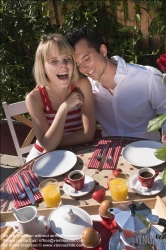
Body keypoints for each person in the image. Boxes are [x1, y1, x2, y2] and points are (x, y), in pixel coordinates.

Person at [66, 26, 166, 143]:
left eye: (86, 59)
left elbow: (164, 111)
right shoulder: (88, 88)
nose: (83, 68)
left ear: (103, 50)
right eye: (78, 65)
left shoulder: (148, 77)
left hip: (147, 151)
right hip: (110, 153)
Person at [25, 33, 96, 162]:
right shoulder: (34, 99)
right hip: (43, 155)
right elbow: (46, 146)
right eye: (54, 61)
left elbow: (88, 134)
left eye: (67, 59)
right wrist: (64, 108)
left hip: (78, 151)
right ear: (43, 67)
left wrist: (52, 143)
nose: (63, 65)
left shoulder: (82, 85)